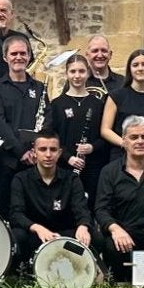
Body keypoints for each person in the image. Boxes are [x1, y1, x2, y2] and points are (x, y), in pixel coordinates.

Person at [8, 130, 94, 270]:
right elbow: (16, 214)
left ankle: (82, 271)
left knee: (94, 237)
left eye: (53, 150)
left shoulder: (72, 179)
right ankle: (25, 273)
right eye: (42, 149)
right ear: (34, 152)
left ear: (60, 153)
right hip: (36, 235)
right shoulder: (20, 179)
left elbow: (82, 209)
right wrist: (38, 228)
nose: (48, 154)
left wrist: (83, 226)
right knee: (18, 235)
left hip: (64, 235)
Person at [92, 116, 144, 284]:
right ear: (124, 140)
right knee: (110, 245)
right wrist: (115, 229)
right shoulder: (109, 171)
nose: (140, 141)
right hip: (123, 235)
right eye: (134, 137)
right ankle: (119, 282)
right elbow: (101, 209)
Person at [0, 33, 47, 213]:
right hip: (8, 160)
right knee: (7, 207)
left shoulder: (39, 87)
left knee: (35, 208)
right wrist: (20, 151)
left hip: (35, 159)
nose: (18, 57)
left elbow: (46, 119)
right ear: (5, 57)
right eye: (13, 54)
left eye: (23, 53)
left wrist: (37, 149)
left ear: (28, 56)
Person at [47, 53, 109, 201]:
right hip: (65, 165)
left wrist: (92, 147)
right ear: (66, 74)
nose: (77, 76)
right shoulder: (56, 104)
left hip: (92, 167)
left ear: (88, 73)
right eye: (72, 71)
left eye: (81, 71)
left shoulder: (98, 103)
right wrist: (68, 158)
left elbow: (105, 136)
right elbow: (52, 136)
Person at [100, 50, 144, 160]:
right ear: (130, 69)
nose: (140, 68)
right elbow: (105, 130)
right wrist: (126, 144)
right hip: (121, 157)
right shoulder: (116, 96)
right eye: (135, 65)